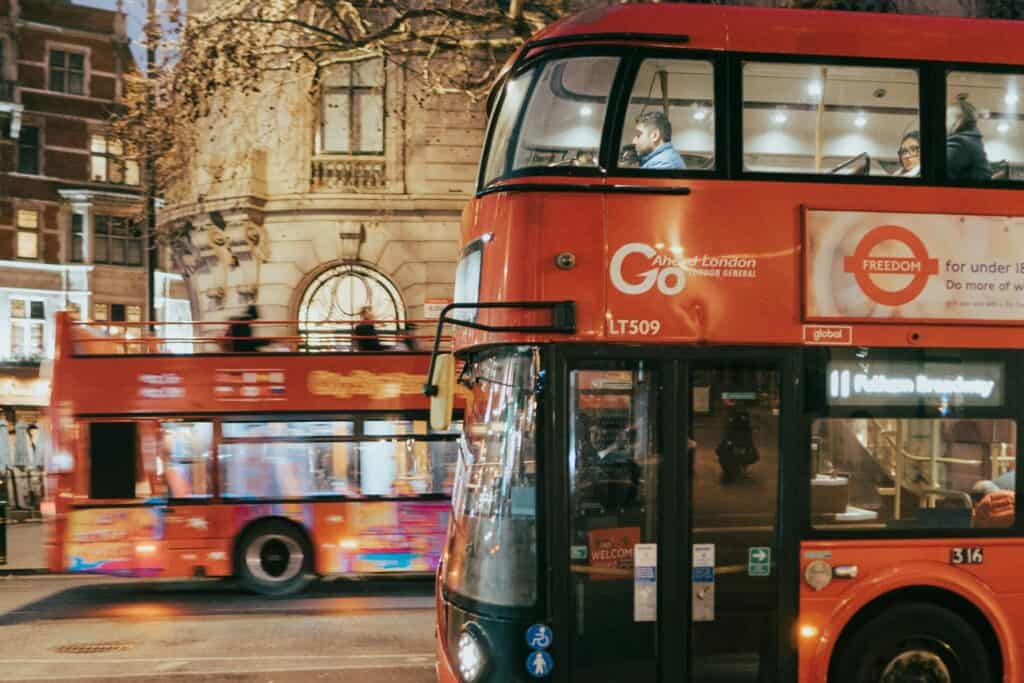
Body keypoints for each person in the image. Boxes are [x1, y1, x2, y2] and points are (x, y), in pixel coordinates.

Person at [946, 94, 991, 181]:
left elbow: (937, 166)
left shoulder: (961, 142)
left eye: (946, 119)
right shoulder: (972, 139)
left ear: (958, 121)